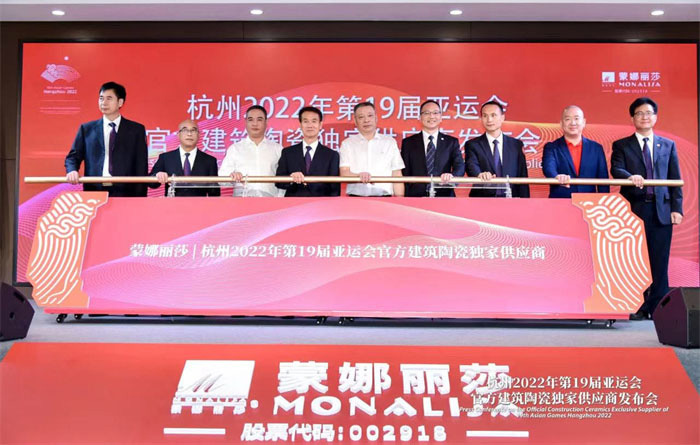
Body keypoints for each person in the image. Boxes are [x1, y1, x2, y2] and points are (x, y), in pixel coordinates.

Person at [611, 97, 683, 320]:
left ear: (655, 117)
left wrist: (677, 208)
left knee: (659, 261)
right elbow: (616, 169)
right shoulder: (622, 145)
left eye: (648, 113)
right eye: (639, 113)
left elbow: (675, 178)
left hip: (661, 211)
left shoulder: (668, 145)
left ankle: (659, 307)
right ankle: (638, 305)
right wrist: (630, 177)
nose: (644, 117)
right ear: (632, 118)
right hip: (634, 210)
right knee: (635, 259)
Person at [65, 81, 148, 197]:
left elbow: (141, 165)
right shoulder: (87, 129)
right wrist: (72, 170)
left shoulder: (136, 130)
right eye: (101, 98)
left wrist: (140, 196)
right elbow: (73, 156)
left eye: (109, 98)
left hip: (126, 191)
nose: (104, 102)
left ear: (120, 102)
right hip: (94, 190)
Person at [464, 101, 529, 198]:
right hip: (482, 199)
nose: (489, 119)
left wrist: (525, 201)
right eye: (485, 116)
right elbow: (471, 166)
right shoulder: (473, 144)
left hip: (511, 199)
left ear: (502, 118)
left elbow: (523, 177)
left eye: (493, 115)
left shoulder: (516, 145)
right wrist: (480, 174)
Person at [400, 100, 465, 197]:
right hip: (415, 197)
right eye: (426, 113)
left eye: (435, 113)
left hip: (444, 196)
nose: (431, 116)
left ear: (441, 117)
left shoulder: (451, 142)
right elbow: (404, 172)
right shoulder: (408, 143)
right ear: (420, 117)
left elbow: (460, 166)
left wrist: (452, 176)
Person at [542, 105, 609, 198]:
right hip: (560, 201)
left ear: (584, 122)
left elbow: (603, 179)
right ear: (561, 123)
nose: (573, 123)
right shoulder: (552, 147)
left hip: (589, 202)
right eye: (568, 119)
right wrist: (556, 176)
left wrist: (604, 201)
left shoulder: (596, 148)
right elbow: (548, 168)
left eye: (576, 118)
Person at [339, 102, 404, 197]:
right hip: (355, 198)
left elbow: (397, 173)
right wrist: (358, 176)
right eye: (361, 117)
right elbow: (344, 172)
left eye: (370, 116)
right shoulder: (347, 144)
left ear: (376, 118)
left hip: (384, 199)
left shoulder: (389, 142)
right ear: (355, 121)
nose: (366, 120)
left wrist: (400, 200)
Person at [219, 105, 282, 197]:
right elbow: (221, 179)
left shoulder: (277, 149)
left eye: (259, 119)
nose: (255, 124)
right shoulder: (235, 149)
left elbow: (284, 180)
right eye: (250, 119)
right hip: (242, 201)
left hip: (271, 201)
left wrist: (280, 200)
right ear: (246, 122)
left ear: (266, 122)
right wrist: (232, 176)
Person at [275, 106, 339, 197]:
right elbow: (278, 182)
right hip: (294, 203)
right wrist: (291, 179)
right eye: (306, 121)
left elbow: (335, 188)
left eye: (314, 121)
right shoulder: (288, 152)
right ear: (300, 125)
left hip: (321, 203)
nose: (310, 125)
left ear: (320, 125)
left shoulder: (332, 155)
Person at [149, 119, 220, 197]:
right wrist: (158, 175)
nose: (189, 134)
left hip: (199, 204)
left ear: (199, 135)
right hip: (173, 204)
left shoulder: (210, 160)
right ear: (178, 135)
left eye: (193, 130)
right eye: (185, 130)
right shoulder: (166, 158)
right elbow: (151, 184)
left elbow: (214, 192)